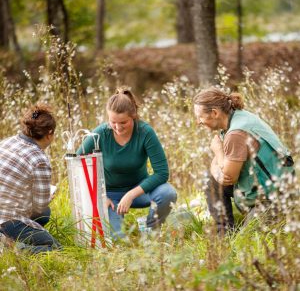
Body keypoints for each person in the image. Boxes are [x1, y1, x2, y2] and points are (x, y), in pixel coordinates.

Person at [77, 86, 177, 238]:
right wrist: (100, 196)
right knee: (118, 240)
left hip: (140, 191)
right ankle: (118, 228)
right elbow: (77, 163)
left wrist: (131, 195)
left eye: (123, 122)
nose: (117, 127)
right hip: (110, 196)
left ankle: (150, 231)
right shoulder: (100, 133)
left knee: (168, 193)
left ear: (134, 116)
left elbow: (162, 173)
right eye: (113, 122)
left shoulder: (145, 132)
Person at [193, 86, 294, 234]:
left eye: (200, 117)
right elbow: (219, 166)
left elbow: (228, 177)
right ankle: (225, 233)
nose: (198, 122)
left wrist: (218, 151)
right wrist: (217, 167)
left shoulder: (236, 133)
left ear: (214, 113)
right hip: (262, 188)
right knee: (211, 181)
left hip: (276, 199)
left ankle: (241, 230)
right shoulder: (236, 117)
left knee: (244, 243)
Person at [0, 103, 61, 253]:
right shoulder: (39, 160)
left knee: (45, 216)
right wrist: (48, 196)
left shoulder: (7, 142)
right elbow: (39, 207)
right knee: (55, 247)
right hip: (8, 220)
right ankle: (12, 248)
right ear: (50, 133)